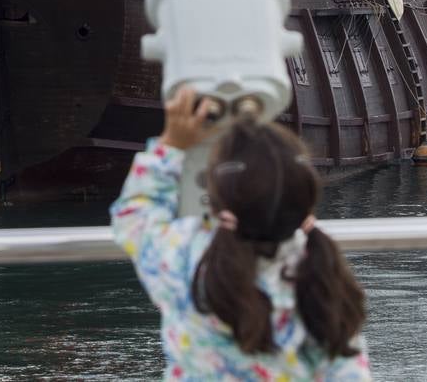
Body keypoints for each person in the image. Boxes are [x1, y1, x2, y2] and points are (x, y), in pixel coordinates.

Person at [112, 89, 370, 380]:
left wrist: (171, 146)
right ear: (304, 202)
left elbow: (133, 216)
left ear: (219, 197)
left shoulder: (186, 262)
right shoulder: (323, 279)